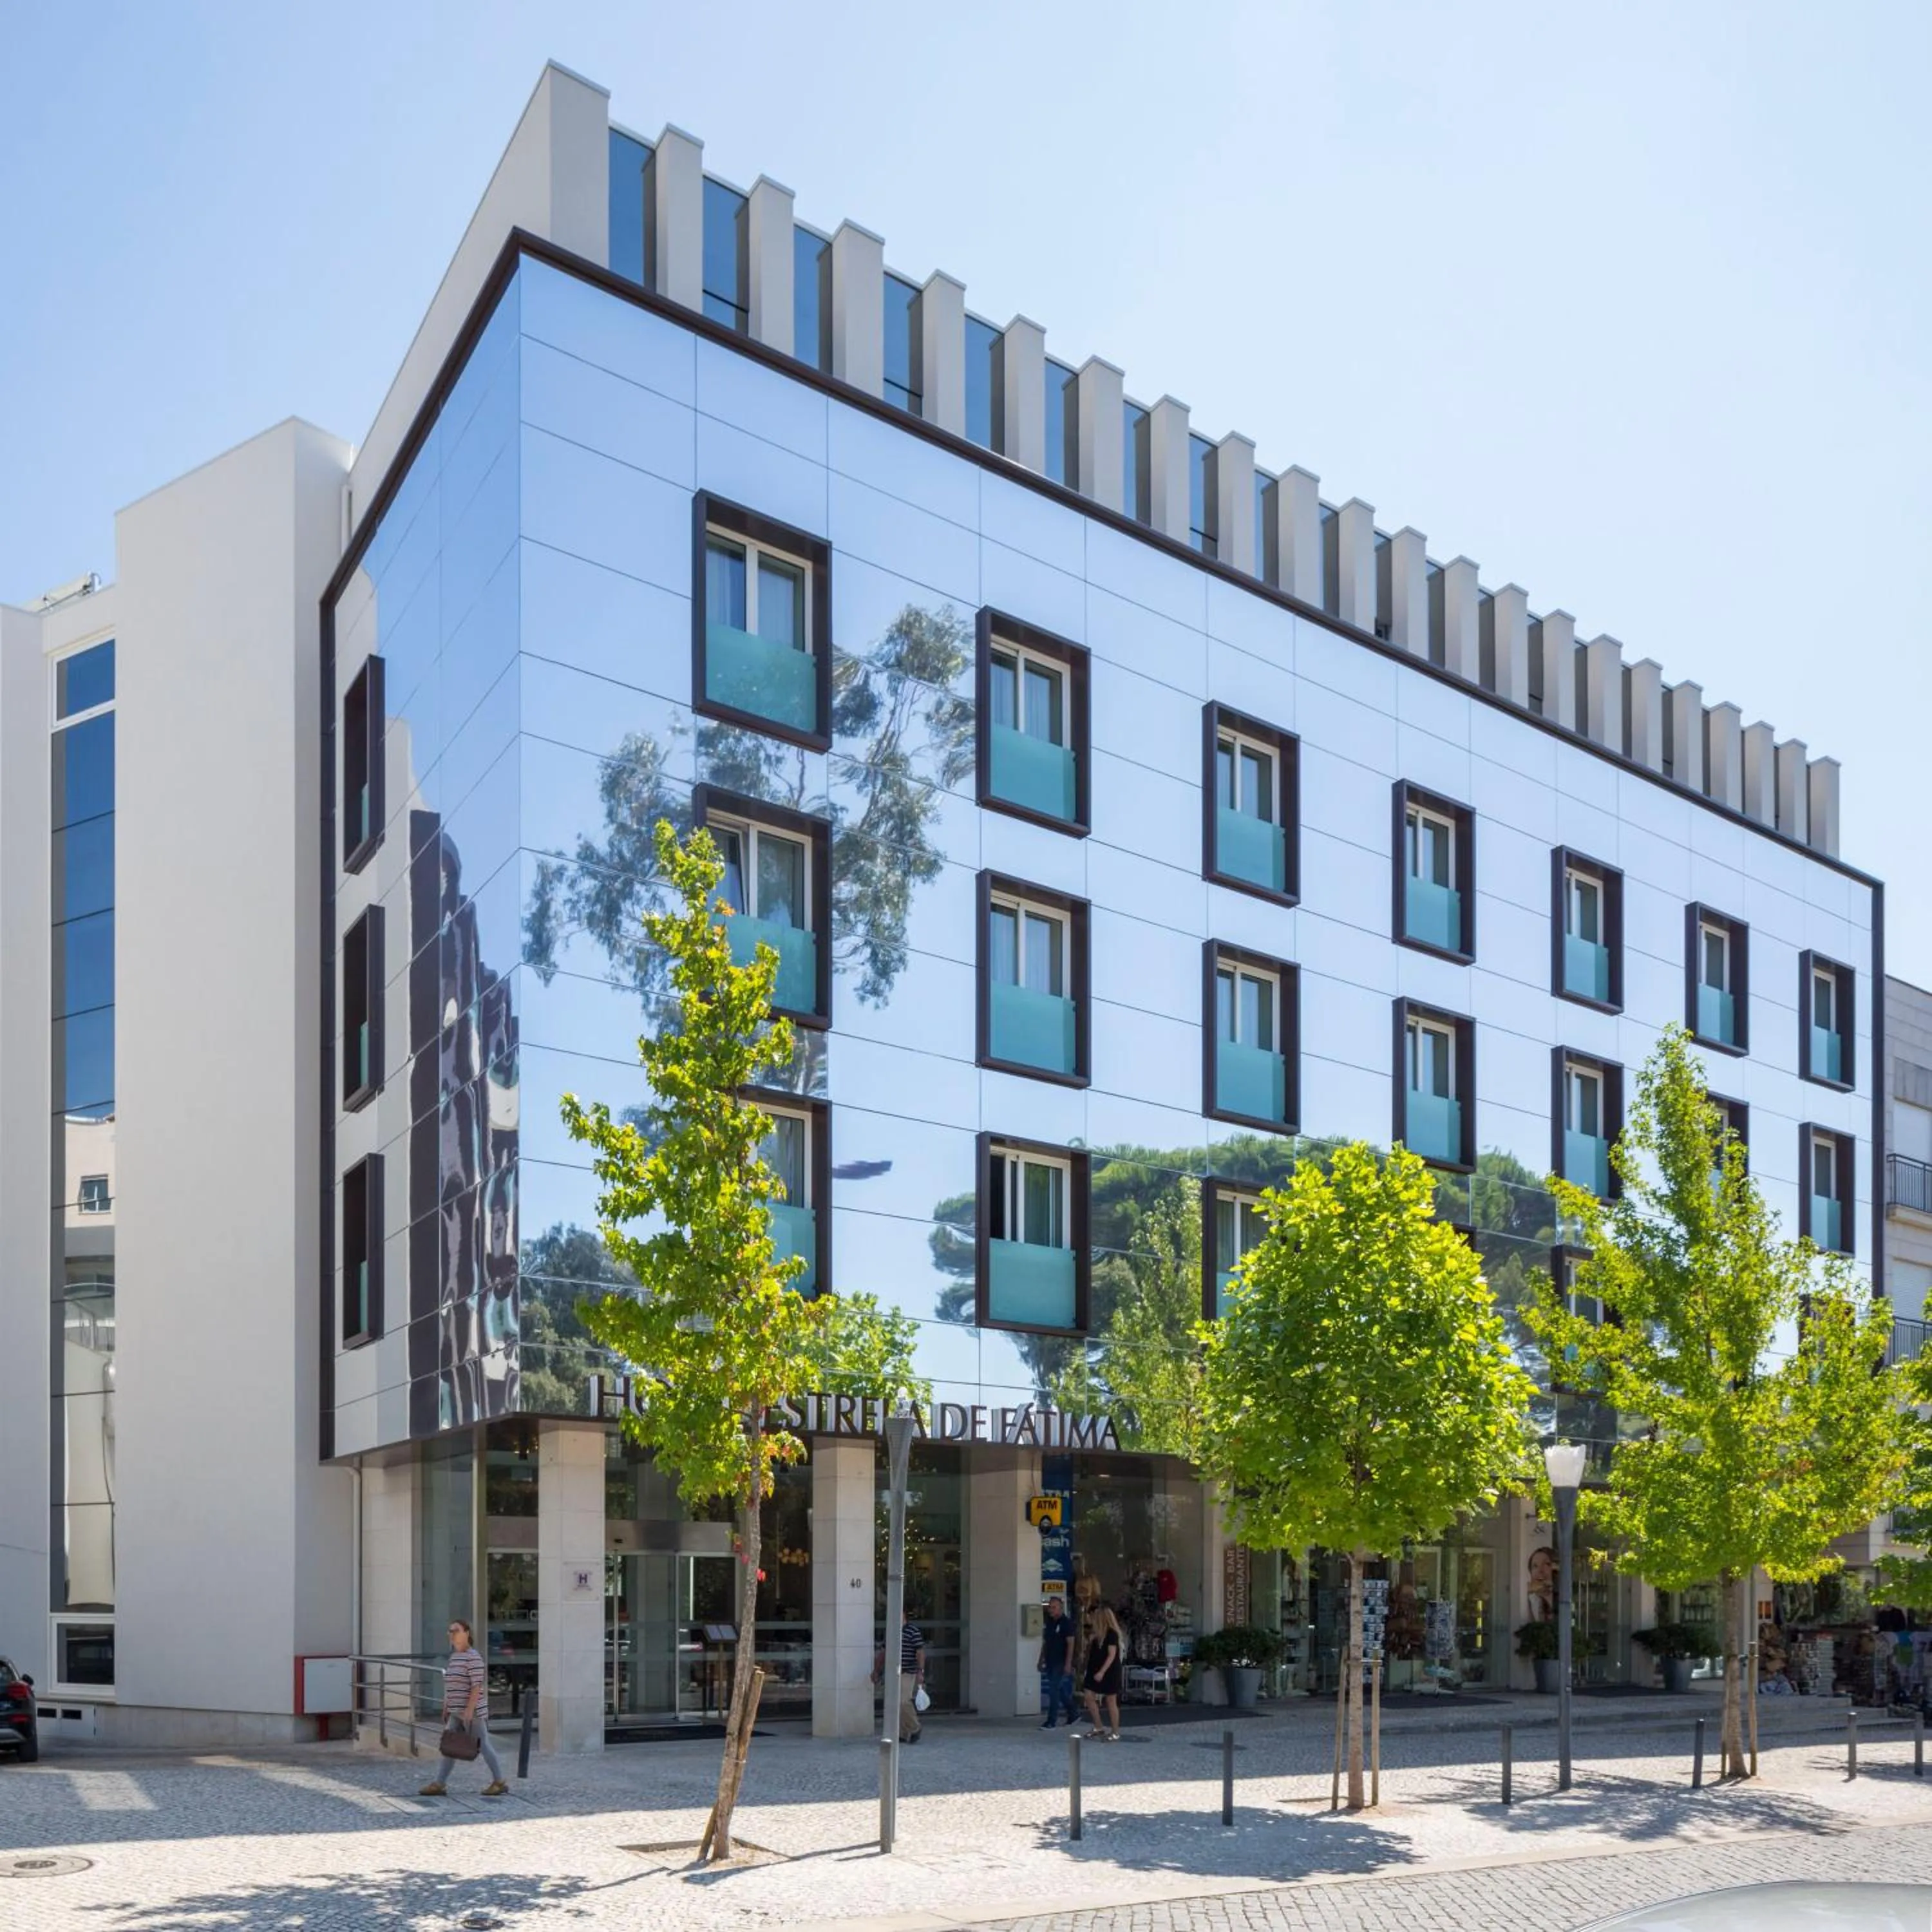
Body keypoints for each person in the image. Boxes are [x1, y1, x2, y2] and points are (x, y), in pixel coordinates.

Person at [419, 1619, 507, 1797]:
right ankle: (440, 1783)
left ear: (466, 1633)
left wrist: (469, 1710)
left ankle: (499, 1781)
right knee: (449, 1745)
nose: (452, 1634)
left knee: (483, 1744)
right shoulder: (455, 1656)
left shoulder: (473, 1657)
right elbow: (451, 1683)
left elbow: (477, 1686)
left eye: (456, 1630)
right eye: (450, 1631)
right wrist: (447, 1704)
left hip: (472, 1712)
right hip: (455, 1711)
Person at [872, 1617, 926, 1743]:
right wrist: (876, 1670)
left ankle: (915, 1727)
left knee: (903, 1701)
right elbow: (884, 1653)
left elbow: (920, 1652)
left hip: (908, 1672)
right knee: (895, 1704)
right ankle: (903, 1733)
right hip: (893, 1673)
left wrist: (921, 1671)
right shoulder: (892, 1631)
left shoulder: (913, 1631)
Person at [1081, 1605, 1124, 1741]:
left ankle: (1115, 1731)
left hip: (1109, 1670)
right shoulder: (1096, 1636)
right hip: (1094, 1668)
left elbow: (1112, 1655)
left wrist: (1102, 1672)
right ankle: (1098, 1726)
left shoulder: (1112, 1634)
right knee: (1088, 1695)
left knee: (1111, 1700)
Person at [1037, 1595, 1077, 1728]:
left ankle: (1051, 1720)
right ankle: (1073, 1712)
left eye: (1054, 1607)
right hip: (1050, 1659)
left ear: (1060, 1608)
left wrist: (1068, 1663)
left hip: (1061, 1660)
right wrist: (1041, 1659)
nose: (1051, 1610)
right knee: (1058, 1689)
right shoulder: (1049, 1623)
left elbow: (1071, 1643)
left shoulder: (1066, 1623)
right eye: (1050, 1607)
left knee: (1053, 1690)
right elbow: (1046, 1643)